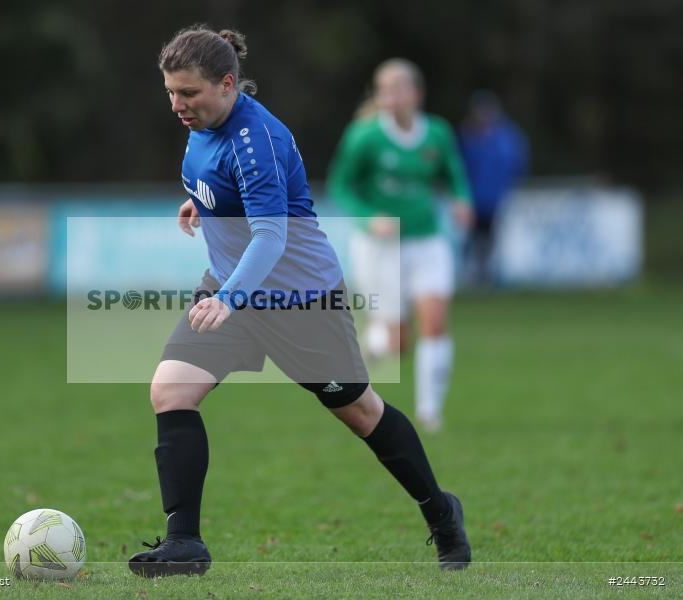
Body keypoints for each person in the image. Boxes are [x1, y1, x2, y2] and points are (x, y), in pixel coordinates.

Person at [127, 26, 470, 578]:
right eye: (170, 92)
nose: (177, 105)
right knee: (171, 391)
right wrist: (201, 204)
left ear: (227, 84)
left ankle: (441, 512)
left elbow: (270, 234)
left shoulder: (256, 140)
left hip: (299, 300)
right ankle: (184, 542)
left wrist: (230, 298)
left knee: (361, 412)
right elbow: (223, 184)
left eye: (188, 93)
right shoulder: (202, 124)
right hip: (232, 288)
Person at [327, 59, 473, 433]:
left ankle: (429, 411)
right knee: (397, 343)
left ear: (416, 93)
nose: (391, 97)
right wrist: (369, 218)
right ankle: (369, 350)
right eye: (384, 90)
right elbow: (340, 186)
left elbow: (453, 172)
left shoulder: (436, 133)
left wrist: (461, 199)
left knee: (435, 321)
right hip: (380, 248)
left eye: (398, 89)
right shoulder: (364, 136)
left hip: (427, 241)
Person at [458, 90, 529, 285]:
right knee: (472, 237)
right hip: (474, 198)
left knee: (491, 237)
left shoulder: (506, 136)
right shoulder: (469, 136)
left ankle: (486, 273)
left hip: (497, 198)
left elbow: (517, 164)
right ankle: (472, 273)